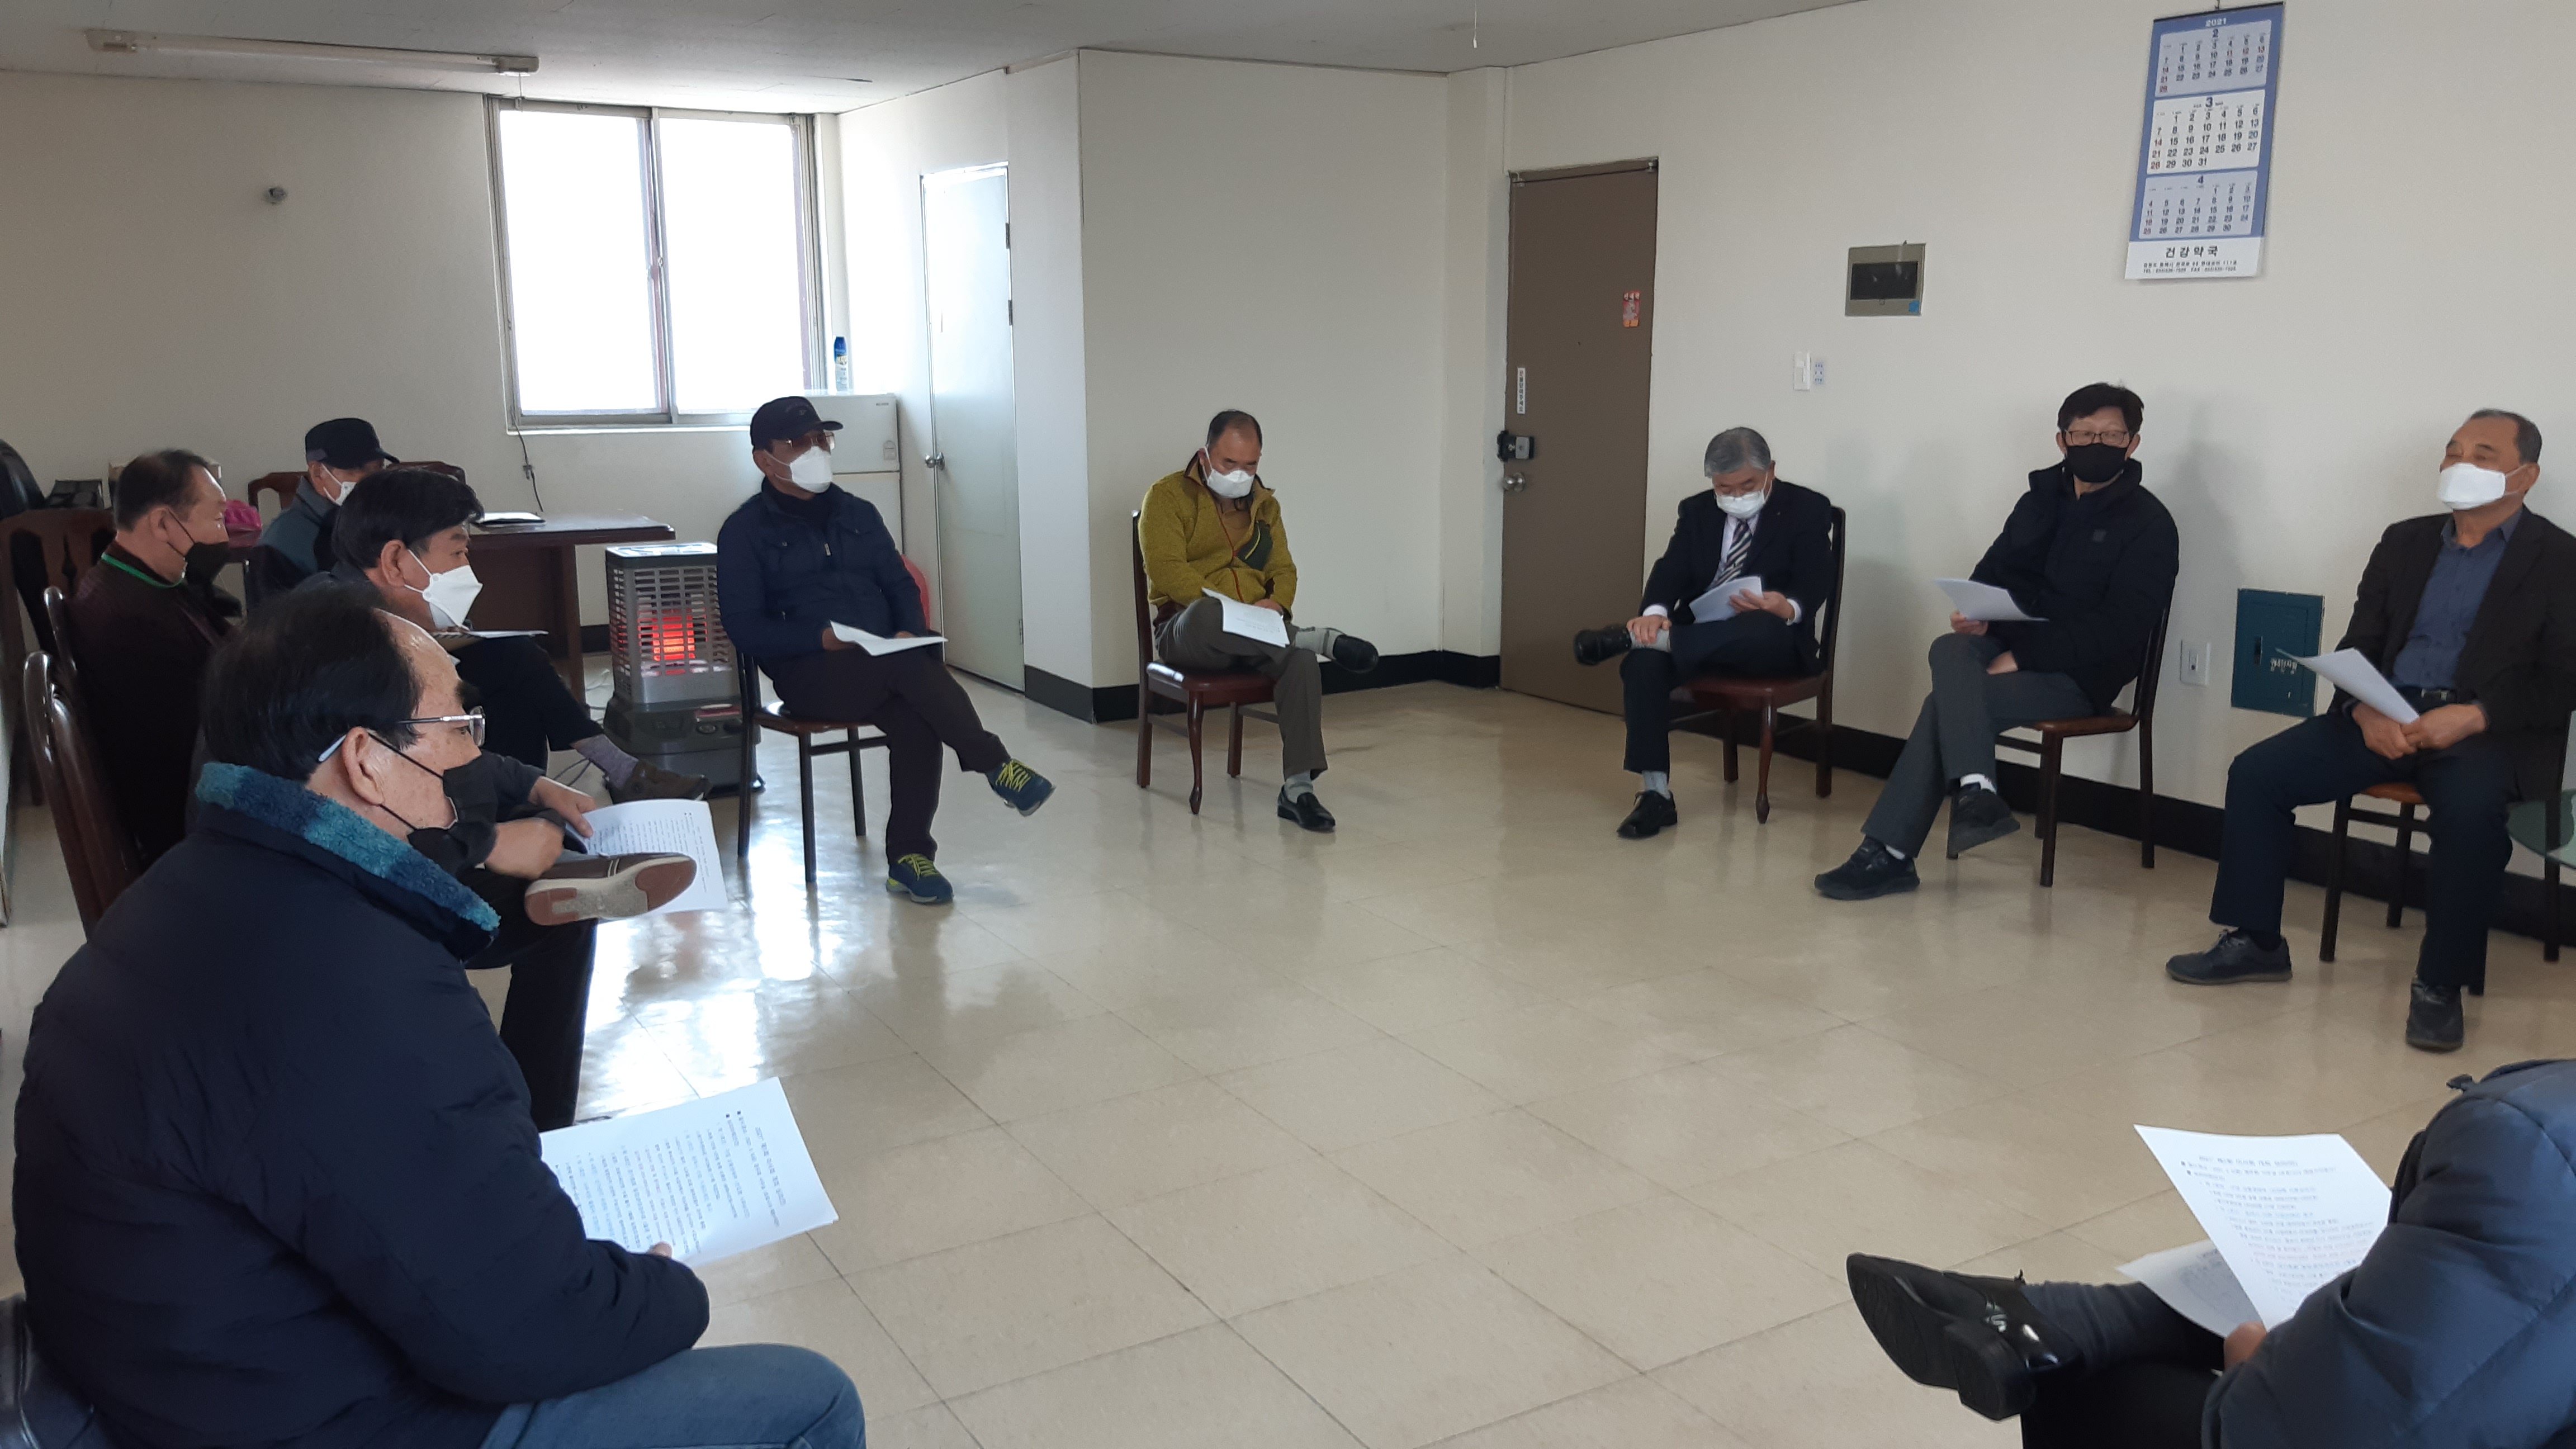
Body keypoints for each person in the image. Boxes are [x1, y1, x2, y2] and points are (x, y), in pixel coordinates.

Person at [12, 584, 862, 1449]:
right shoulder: (353, 981)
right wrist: (659, 1287)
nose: (473, 755)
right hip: (290, 1417)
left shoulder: (192, 890)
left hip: (171, 1372)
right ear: (366, 760)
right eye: (459, 727)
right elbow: (529, 1333)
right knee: (808, 1398)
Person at [1844, 1058, 2576, 1448]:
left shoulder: (2532, 1146)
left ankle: (2048, 1327)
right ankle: (2051, 1320)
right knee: (2400, 1272)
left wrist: (2255, 1363)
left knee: (2108, 1392)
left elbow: (2317, 1434)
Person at [2166, 409, 2576, 1052]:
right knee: (2257, 774)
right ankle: (2257, 941)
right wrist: (2365, 709)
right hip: (2384, 712)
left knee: (2471, 818)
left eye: (2483, 455)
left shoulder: (2559, 559)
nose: (2459, 464)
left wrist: (2474, 716)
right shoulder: (2405, 542)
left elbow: (2562, 679)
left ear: (2526, 476)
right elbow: (2361, 641)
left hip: (2483, 730)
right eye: (2453, 451)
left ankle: (2439, 985)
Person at [1817, 382, 2179, 899]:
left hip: (2080, 675)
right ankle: (1976, 791)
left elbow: (2120, 628)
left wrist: (2023, 655)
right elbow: (1994, 570)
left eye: (2111, 435)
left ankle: (1893, 851)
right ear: (2062, 440)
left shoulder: (2151, 524)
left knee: (1945, 703)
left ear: (2133, 443)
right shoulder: (2039, 500)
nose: (2096, 444)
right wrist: (1979, 612)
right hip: (2010, 645)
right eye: (2084, 434)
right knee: (1948, 647)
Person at [716, 395, 1054, 904]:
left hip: (884, 662)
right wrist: (819, 638)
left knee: (915, 710)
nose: (816, 449)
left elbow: (899, 585)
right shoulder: (744, 532)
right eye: (799, 442)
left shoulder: (859, 513)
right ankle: (994, 764)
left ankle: (910, 860)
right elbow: (745, 628)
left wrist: (910, 631)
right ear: (765, 460)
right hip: (810, 674)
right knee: (911, 676)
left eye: (822, 439)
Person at [328, 466, 708, 800]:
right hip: (391, 788)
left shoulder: (359, 597)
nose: (466, 568)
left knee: (512, 659)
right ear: (395, 561)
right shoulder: (341, 634)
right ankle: (554, 793)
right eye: (457, 554)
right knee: (512, 670)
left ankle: (553, 795)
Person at [1568, 427, 1836, 837]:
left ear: (1771, 471)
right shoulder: (1697, 511)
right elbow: (1671, 568)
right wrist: (1654, 613)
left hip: (1771, 638)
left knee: (1761, 628)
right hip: (1703, 631)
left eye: (1748, 485)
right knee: (1642, 665)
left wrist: (1788, 606)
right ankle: (1655, 795)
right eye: (1725, 488)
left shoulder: (1807, 508)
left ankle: (1644, 640)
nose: (1737, 495)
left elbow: (1816, 578)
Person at [1138, 409, 1379, 832]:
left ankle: (1298, 790)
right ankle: (1311, 638)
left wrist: (1278, 604)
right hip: (1190, 629)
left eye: (1250, 465)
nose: (1240, 474)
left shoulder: (1266, 507)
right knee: (1208, 613)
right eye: (1229, 463)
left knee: (1300, 663)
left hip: (1259, 635)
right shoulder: (1166, 497)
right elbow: (1168, 572)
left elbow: (1284, 570)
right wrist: (1236, 613)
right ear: (1205, 456)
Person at [61, 448, 238, 861]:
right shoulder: (129, 621)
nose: (225, 535)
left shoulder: (146, 580)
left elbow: (229, 646)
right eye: (217, 519)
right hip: (194, 824)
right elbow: (198, 745)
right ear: (162, 523)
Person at [254, 415, 392, 598]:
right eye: (357, 469)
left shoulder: (386, 521)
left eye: (378, 469)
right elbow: (270, 614)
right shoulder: (281, 543)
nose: (371, 480)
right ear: (318, 473)